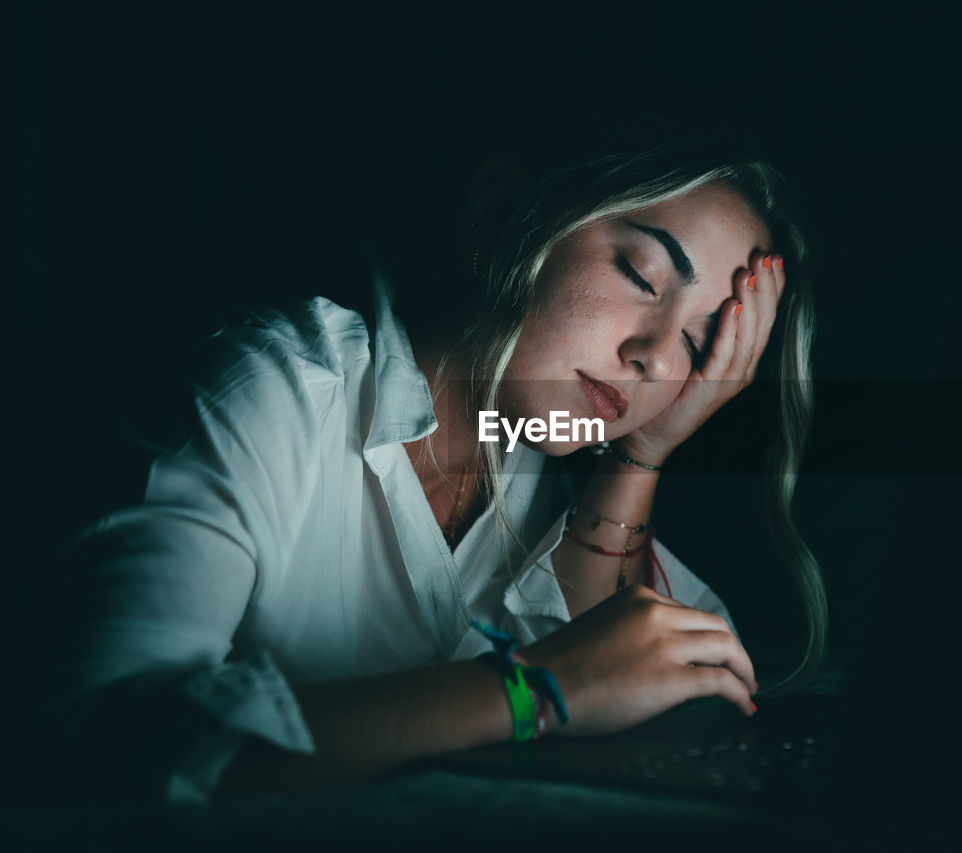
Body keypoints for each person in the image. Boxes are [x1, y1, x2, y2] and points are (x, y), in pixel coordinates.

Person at [41, 120, 826, 802]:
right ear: (498, 212)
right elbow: (105, 749)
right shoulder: (270, 391)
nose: (656, 359)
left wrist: (641, 454)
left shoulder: (544, 478)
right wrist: (537, 691)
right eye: (640, 274)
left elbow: (662, 686)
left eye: (697, 343)